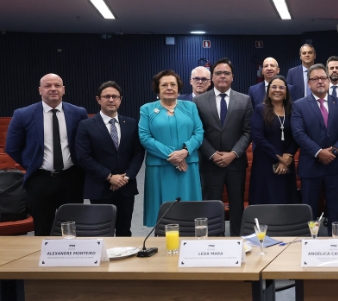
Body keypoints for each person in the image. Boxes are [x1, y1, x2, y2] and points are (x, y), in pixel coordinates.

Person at [6, 73, 88, 235]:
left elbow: (85, 143)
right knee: (43, 228)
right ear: (40, 90)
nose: (53, 89)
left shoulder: (78, 113)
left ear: (63, 90)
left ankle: (73, 260)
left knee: (73, 227)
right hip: (40, 179)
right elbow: (12, 147)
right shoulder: (23, 114)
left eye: (57, 85)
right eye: (47, 86)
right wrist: (32, 164)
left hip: (71, 178)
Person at [75, 81, 145, 236]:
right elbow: (83, 157)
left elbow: (138, 153)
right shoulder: (86, 125)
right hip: (100, 188)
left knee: (124, 231)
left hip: (125, 188)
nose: (111, 100)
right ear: (98, 99)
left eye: (115, 96)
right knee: (102, 233)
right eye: (107, 96)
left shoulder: (131, 123)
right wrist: (109, 177)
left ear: (120, 99)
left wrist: (126, 177)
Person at [194, 58, 252, 236]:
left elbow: (248, 132)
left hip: (235, 163)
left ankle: (237, 241)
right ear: (212, 77)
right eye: (218, 73)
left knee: (237, 206)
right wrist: (212, 154)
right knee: (211, 207)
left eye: (226, 73)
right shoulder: (199, 102)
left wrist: (233, 154)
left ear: (232, 77)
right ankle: (214, 242)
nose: (222, 76)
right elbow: (197, 132)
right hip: (210, 164)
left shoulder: (244, 100)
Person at [291, 64, 338, 233]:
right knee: (310, 209)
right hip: (311, 165)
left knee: (335, 208)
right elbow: (299, 134)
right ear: (309, 83)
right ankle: (310, 243)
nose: (320, 82)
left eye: (323, 78)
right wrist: (319, 152)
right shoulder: (299, 105)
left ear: (328, 81)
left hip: (335, 164)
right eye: (315, 79)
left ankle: (337, 244)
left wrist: (334, 151)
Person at [138, 70, 204, 227]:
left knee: (189, 213)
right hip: (160, 168)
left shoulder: (190, 107)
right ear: (157, 88)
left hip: (188, 167)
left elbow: (199, 132)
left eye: (173, 84)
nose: (169, 88)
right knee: (163, 215)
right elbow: (145, 137)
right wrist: (174, 156)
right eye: (164, 85)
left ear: (179, 87)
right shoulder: (147, 109)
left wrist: (185, 152)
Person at [250, 76, 298, 204]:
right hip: (264, 162)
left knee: (285, 197)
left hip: (287, 162)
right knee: (265, 197)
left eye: (281, 87)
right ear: (268, 91)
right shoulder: (260, 109)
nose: (277, 90)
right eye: (274, 87)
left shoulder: (293, 110)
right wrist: (279, 156)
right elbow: (258, 137)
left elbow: (297, 136)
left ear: (286, 91)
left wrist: (287, 158)